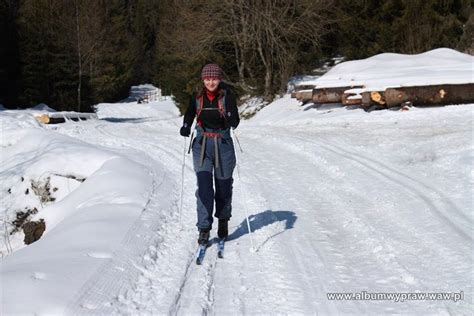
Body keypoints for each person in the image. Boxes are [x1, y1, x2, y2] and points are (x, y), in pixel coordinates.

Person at [180, 63, 240, 246]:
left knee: (223, 186)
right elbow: (190, 113)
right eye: (207, 78)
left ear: (219, 79)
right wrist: (185, 125)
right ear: (203, 79)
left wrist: (231, 118)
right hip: (202, 145)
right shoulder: (197, 96)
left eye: (214, 78)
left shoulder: (227, 96)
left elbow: (235, 119)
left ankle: (223, 220)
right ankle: (204, 228)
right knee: (204, 187)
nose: (211, 82)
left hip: (223, 144)